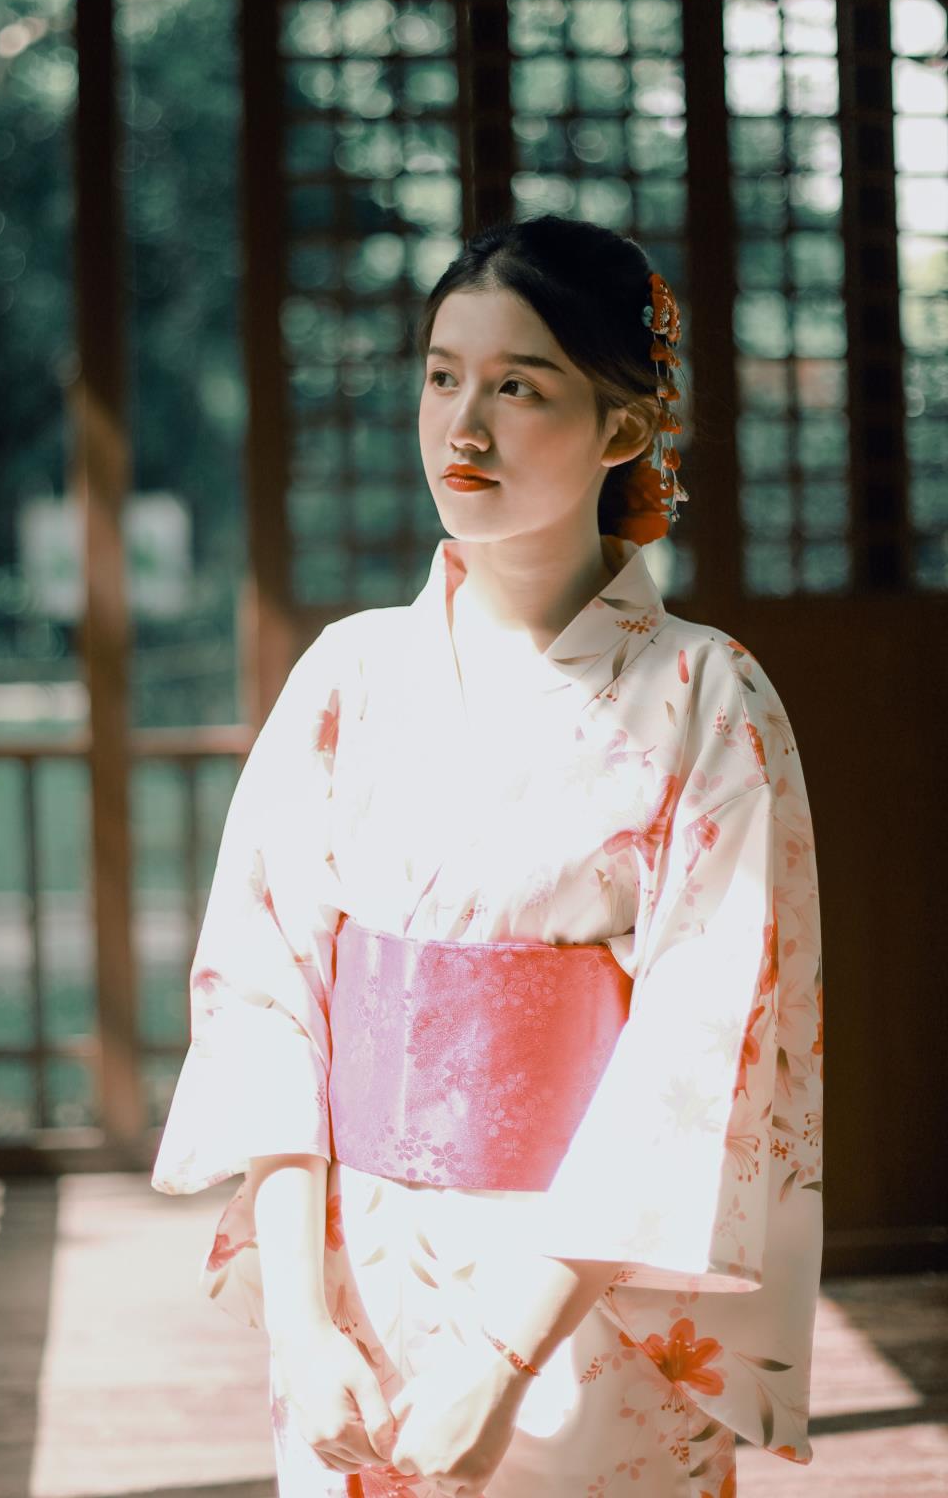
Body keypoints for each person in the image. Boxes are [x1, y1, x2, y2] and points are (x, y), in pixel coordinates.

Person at [150, 213, 824, 1498]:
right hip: (355, 1292)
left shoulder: (705, 696)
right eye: (444, 374)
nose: (463, 427)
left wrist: (507, 1357)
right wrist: (301, 1325)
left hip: (576, 1302)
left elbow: (701, 1049)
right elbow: (265, 993)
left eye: (520, 385)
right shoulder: (350, 673)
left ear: (622, 427)